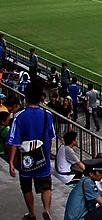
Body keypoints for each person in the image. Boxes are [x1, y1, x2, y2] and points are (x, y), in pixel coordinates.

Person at [7, 80, 56, 220]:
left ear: (26, 97)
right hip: (42, 157)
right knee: (46, 186)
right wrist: (47, 152)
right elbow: (51, 136)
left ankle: (32, 213)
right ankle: (46, 210)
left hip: (25, 159)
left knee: (27, 187)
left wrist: (11, 162)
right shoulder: (48, 115)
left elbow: (14, 142)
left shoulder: (18, 117)